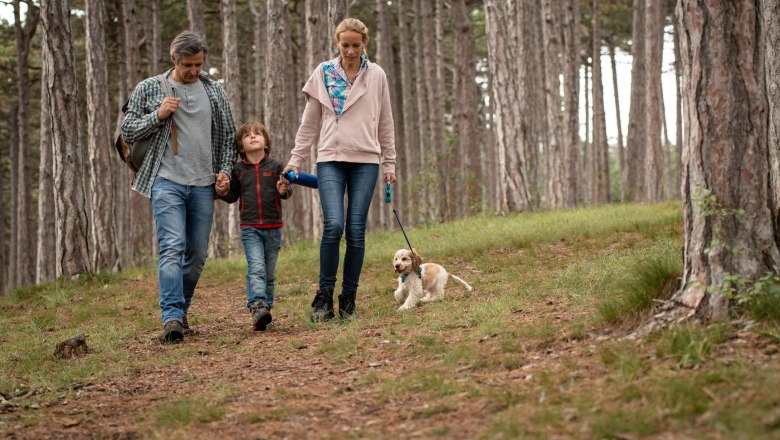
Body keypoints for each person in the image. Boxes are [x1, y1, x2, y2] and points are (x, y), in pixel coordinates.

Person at [121, 31, 237, 343]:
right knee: (172, 246)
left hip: (203, 184)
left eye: (199, 64)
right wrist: (158, 116)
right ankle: (171, 316)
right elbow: (127, 130)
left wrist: (224, 171)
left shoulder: (214, 91)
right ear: (174, 59)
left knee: (197, 253)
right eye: (188, 65)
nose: (194, 71)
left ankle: (181, 309)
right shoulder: (149, 88)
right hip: (165, 181)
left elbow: (228, 137)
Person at [283, 18, 397, 322]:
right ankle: (324, 298)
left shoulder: (376, 76)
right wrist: (295, 159)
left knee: (356, 230)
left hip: (366, 161)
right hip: (330, 159)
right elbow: (309, 123)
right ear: (337, 43)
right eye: (344, 45)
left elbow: (385, 121)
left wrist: (390, 163)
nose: (349, 50)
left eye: (355, 45)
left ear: (364, 45)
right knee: (333, 225)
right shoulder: (323, 73)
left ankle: (349, 299)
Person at [219, 122, 292, 331]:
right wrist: (223, 191)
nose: (253, 137)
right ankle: (256, 304)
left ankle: (264, 310)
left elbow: (287, 193)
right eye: (247, 135)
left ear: (266, 142)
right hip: (250, 227)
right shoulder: (238, 169)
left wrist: (283, 189)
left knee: (269, 272)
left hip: (273, 227)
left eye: (258, 134)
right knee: (256, 267)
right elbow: (232, 195)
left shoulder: (276, 166)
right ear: (241, 146)